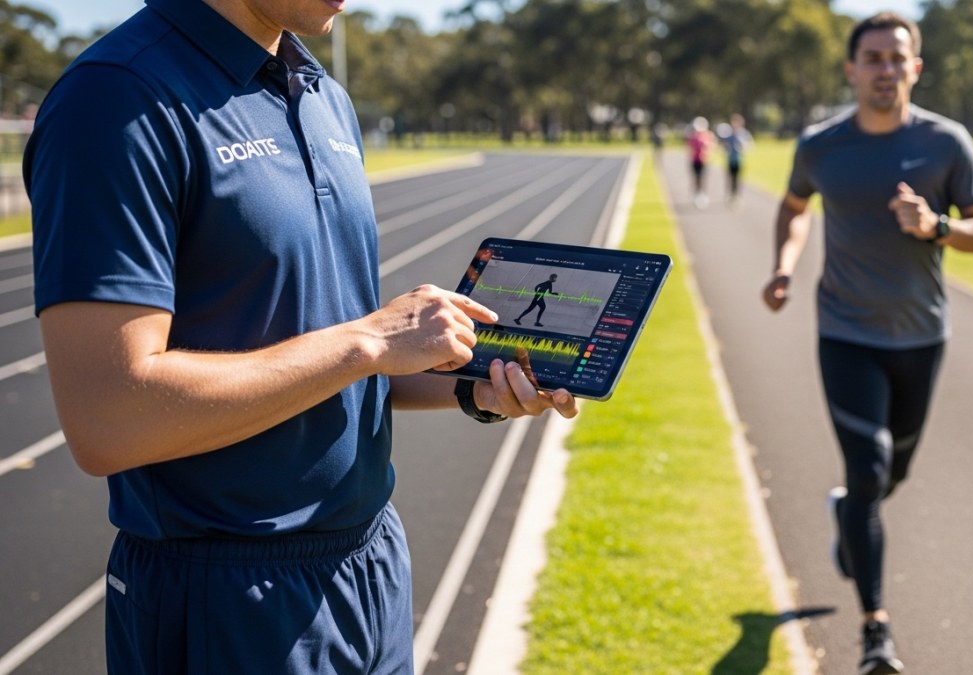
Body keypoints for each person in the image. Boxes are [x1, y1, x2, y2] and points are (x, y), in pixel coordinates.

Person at [22, 0, 576, 672]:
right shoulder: (115, 98)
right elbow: (110, 416)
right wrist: (364, 341)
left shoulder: (321, 92)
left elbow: (326, 359)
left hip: (370, 562)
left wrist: (473, 387)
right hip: (228, 597)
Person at [761, 12, 973, 675]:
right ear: (852, 68)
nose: (885, 69)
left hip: (921, 335)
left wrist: (937, 226)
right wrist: (782, 264)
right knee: (867, 470)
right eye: (872, 58)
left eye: (897, 57)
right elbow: (793, 206)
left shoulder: (947, 143)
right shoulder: (820, 145)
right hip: (844, 331)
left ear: (915, 67)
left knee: (894, 473)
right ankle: (876, 631)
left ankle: (850, 512)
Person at [717, 113, 754, 205]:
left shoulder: (744, 134)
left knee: (738, 179)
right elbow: (723, 146)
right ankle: (730, 196)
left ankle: (736, 196)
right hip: (730, 160)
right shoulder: (728, 134)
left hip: (739, 161)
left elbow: (750, 146)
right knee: (729, 178)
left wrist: (743, 146)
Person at [686, 116, 716, 209]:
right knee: (696, 178)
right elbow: (689, 148)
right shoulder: (693, 137)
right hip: (695, 161)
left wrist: (707, 149)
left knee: (703, 178)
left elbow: (712, 146)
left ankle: (702, 195)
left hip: (704, 161)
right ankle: (697, 194)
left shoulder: (708, 136)